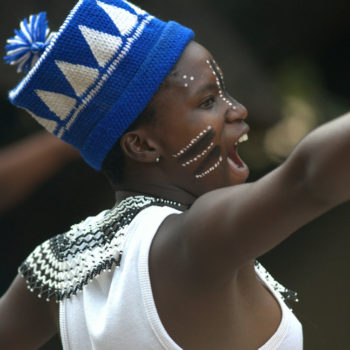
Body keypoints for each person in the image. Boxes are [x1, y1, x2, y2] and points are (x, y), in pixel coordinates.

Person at [0, 0, 348, 349]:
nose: (238, 109)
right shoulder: (192, 239)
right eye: (208, 101)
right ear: (142, 146)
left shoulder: (53, 267)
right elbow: (307, 180)